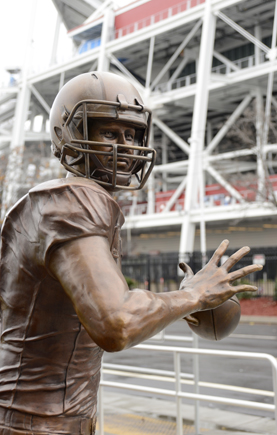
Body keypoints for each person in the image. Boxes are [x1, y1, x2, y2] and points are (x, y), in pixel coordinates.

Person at [0, 72, 262, 435]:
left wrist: (178, 304)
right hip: (39, 425)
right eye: (109, 132)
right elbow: (116, 323)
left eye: (133, 134)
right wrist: (193, 295)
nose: (124, 147)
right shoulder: (74, 200)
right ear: (71, 135)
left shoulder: (47, 202)